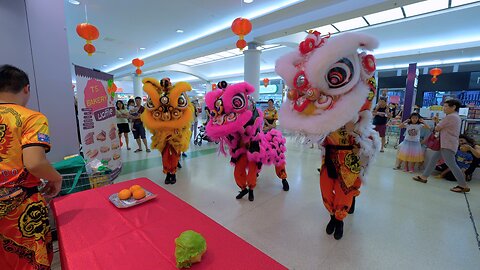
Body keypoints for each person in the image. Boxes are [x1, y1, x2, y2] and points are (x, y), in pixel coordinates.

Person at [0, 65, 62, 269]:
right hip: (19, 209)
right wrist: (55, 178)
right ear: (26, 88)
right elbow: (35, 162)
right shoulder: (31, 118)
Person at [413, 99, 470, 193]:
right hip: (446, 143)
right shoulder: (455, 117)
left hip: (447, 144)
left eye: (446, 106)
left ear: (453, 107)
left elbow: (437, 128)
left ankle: (463, 185)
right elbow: (442, 127)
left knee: (452, 164)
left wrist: (434, 123)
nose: (444, 108)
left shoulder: (451, 117)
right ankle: (424, 177)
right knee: (434, 159)